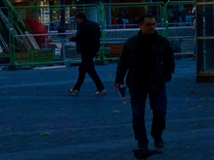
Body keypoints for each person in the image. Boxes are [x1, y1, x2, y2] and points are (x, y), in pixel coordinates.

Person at [114, 15, 174, 157]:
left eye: (153, 24)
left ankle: (157, 134)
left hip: (157, 82)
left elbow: (170, 61)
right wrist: (119, 80)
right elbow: (123, 63)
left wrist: (166, 75)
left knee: (160, 111)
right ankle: (142, 141)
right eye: (148, 24)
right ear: (140, 26)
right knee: (137, 115)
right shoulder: (131, 43)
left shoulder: (162, 43)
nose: (152, 27)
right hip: (137, 83)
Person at [69, 10, 105, 96]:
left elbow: (80, 37)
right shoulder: (94, 24)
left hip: (85, 49)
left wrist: (71, 39)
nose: (77, 21)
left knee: (89, 69)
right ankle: (76, 88)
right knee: (83, 69)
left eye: (77, 19)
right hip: (94, 48)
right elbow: (99, 35)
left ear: (80, 19)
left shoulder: (82, 25)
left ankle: (101, 88)